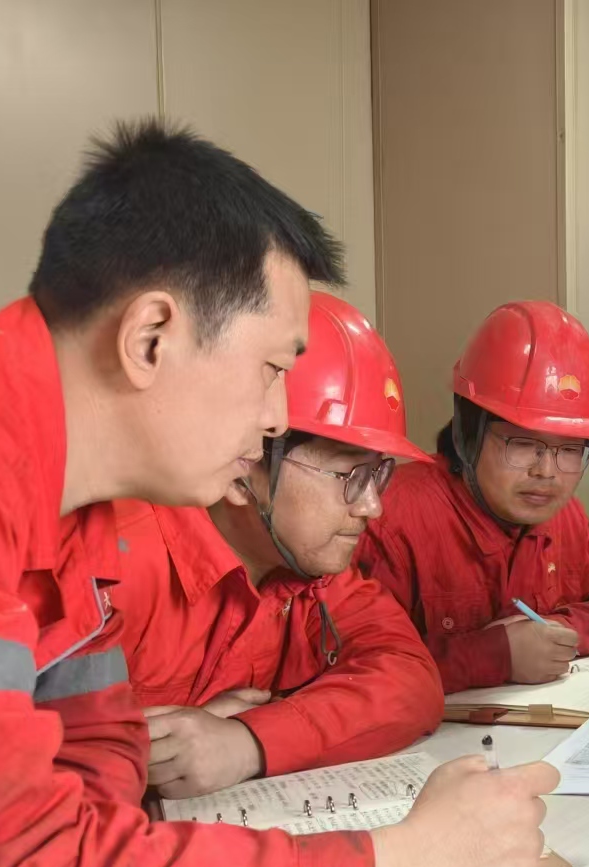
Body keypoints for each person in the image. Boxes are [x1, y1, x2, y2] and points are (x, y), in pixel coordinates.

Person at [0, 121, 557, 867]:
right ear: (151, 336)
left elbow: (96, 769)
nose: (273, 418)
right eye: (271, 370)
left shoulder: (74, 508)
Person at [109, 292, 443, 799]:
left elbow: (410, 680)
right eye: (349, 475)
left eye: (377, 475)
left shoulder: (315, 572)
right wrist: (138, 757)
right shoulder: (120, 561)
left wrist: (248, 742)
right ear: (243, 467)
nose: (372, 507)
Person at [358, 300, 589, 692]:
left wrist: (559, 631)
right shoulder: (391, 515)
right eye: (523, 444)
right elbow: (358, 667)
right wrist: (494, 655)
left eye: (570, 449)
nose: (546, 472)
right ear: (467, 434)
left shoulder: (564, 515)